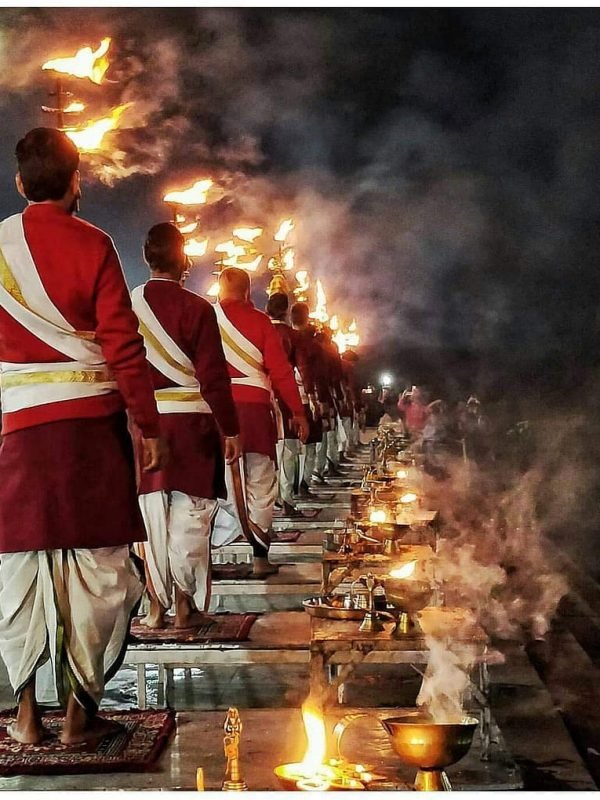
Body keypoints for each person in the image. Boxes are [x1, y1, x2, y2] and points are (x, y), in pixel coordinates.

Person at [0, 128, 163, 746]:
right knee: (98, 569)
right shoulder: (95, 243)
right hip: (93, 431)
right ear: (77, 182)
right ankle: (77, 716)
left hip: (20, 432)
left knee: (21, 570)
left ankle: (24, 717)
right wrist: (147, 424)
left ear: (20, 182)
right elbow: (122, 343)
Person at [132, 223, 241, 629]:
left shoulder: (128, 305)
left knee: (149, 518)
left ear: (147, 258)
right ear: (184, 262)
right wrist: (230, 429)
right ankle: (183, 605)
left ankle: (154, 608)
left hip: (144, 427)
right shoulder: (198, 309)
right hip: (194, 425)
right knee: (191, 515)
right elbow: (213, 377)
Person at [211, 268, 308, 577]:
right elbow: (280, 371)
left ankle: (212, 551)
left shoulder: (207, 317)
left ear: (220, 289)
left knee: (220, 483)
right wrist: (298, 412)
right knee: (261, 482)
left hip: (215, 409)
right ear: (247, 291)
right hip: (255, 410)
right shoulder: (260, 321)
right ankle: (259, 558)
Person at [266, 292, 305, 517]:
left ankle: (271, 504)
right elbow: (296, 371)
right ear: (285, 311)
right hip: (282, 399)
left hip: (259, 396)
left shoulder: (259, 327)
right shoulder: (290, 335)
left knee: (266, 458)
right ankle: (286, 499)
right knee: (288, 452)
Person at [290, 302, 327, 496]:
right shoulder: (311, 346)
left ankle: (288, 491)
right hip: (305, 401)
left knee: (289, 448)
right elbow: (315, 375)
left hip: (283, 400)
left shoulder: (280, 336)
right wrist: (316, 399)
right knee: (309, 444)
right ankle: (303, 483)